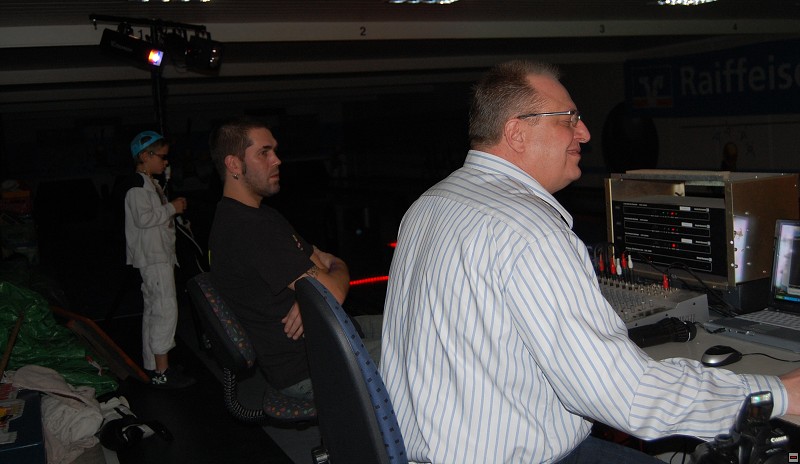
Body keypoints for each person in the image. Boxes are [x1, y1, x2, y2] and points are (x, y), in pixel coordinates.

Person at [379, 60, 800, 463]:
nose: (583, 133)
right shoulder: (530, 231)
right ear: (517, 133)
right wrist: (776, 393)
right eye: (568, 119)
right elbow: (626, 395)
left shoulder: (431, 203)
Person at [207, 116, 381, 401]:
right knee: (426, 350)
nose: (277, 160)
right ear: (234, 165)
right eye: (264, 153)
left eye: (274, 151)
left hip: (334, 333)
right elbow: (334, 290)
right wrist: (327, 280)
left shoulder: (261, 216)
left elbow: (323, 271)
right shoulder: (248, 229)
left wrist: (311, 295)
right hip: (314, 364)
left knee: (416, 321)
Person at [124, 130, 195, 389]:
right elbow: (144, 219)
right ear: (145, 156)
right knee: (165, 310)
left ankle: (154, 365)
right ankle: (163, 371)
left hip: (158, 256)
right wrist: (172, 207)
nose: (166, 162)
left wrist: (173, 214)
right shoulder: (137, 187)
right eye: (162, 157)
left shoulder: (149, 184)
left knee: (154, 311)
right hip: (154, 258)